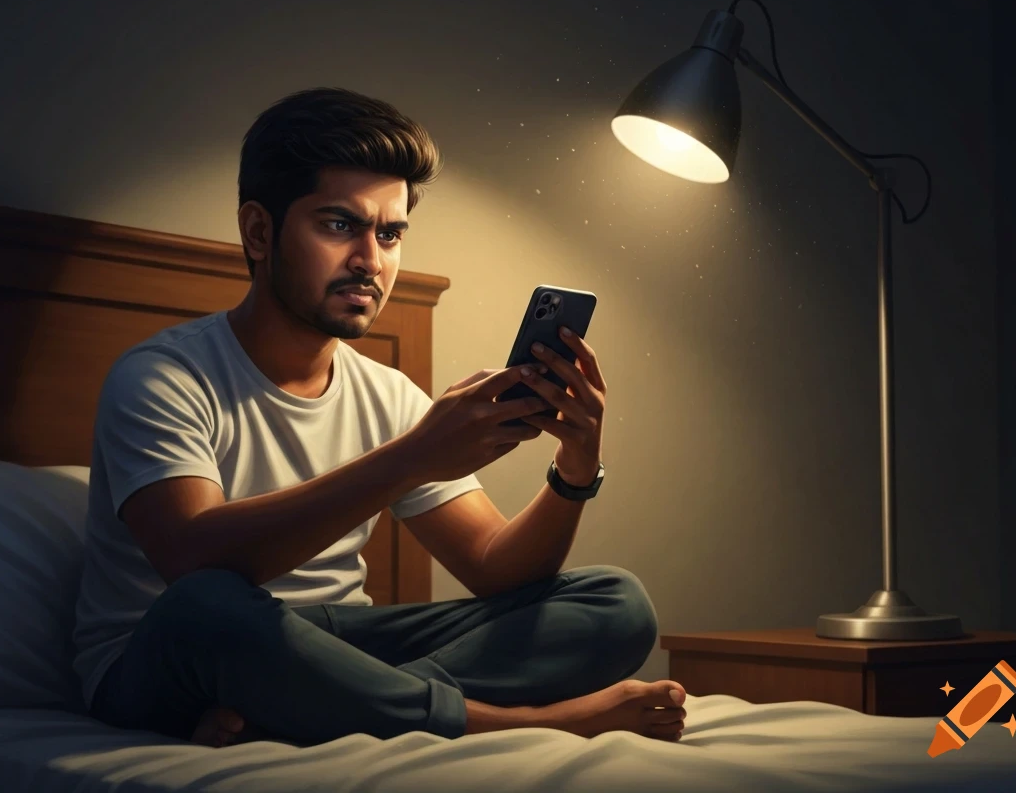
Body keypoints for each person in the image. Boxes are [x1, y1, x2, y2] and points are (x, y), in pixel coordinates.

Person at [71, 86, 688, 747]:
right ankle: (508, 722)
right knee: (204, 607)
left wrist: (574, 470)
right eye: (339, 225)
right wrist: (414, 456)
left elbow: (496, 568)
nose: (371, 260)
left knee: (614, 603)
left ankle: (298, 711)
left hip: (329, 640)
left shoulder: (388, 395)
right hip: (169, 656)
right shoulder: (163, 375)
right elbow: (192, 559)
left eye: (390, 233)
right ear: (259, 231)